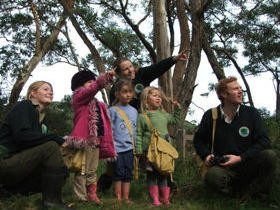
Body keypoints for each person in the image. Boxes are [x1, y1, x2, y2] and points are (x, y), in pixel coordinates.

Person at [193, 76, 277, 197]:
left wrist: (240, 158)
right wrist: (206, 155)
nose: (240, 91)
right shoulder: (211, 115)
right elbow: (198, 140)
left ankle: (259, 196)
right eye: (235, 89)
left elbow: (264, 141)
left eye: (240, 88)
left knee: (270, 155)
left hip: (247, 163)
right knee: (213, 176)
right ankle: (237, 195)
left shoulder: (251, 113)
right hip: (223, 167)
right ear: (223, 94)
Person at [0, 81, 74, 210]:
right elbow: (22, 137)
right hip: (5, 162)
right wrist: (55, 138)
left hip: (17, 163)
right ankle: (52, 202)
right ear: (33, 93)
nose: (50, 92)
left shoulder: (39, 117)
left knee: (62, 171)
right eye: (45, 89)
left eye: (51, 90)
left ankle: (7, 193)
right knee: (50, 146)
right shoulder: (24, 106)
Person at [64, 70, 116, 204]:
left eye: (93, 80)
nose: (93, 83)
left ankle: (92, 195)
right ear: (79, 85)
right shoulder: (79, 97)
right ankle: (80, 198)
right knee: (81, 170)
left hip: (95, 141)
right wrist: (103, 78)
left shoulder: (98, 103)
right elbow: (92, 89)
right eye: (89, 82)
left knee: (92, 170)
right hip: (84, 141)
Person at [136, 86, 180, 206]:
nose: (158, 98)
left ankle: (165, 198)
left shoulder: (164, 115)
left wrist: (177, 109)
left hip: (164, 151)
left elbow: (175, 120)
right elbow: (139, 134)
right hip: (149, 151)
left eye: (159, 96)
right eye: (155, 95)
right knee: (152, 175)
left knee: (164, 174)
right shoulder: (143, 116)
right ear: (146, 100)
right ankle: (155, 199)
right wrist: (139, 149)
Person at [109, 51, 187, 110]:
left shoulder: (141, 74)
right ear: (119, 73)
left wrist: (175, 58)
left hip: (146, 116)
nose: (130, 70)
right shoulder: (115, 89)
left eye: (131, 66)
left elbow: (158, 68)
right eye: (126, 69)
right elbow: (114, 109)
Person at [108, 79, 138, 205]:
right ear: (117, 94)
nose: (128, 95)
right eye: (124, 92)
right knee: (118, 173)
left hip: (130, 149)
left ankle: (126, 198)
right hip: (117, 149)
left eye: (130, 92)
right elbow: (109, 130)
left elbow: (136, 131)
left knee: (128, 173)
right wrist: (110, 147)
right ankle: (118, 198)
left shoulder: (135, 111)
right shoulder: (112, 110)